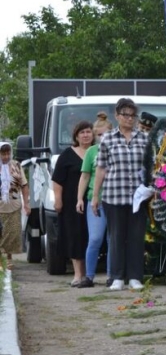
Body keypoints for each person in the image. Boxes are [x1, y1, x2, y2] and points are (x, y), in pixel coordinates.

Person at [92, 98, 150, 291]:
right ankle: (116, 276)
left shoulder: (143, 138)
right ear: (117, 116)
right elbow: (101, 168)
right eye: (125, 114)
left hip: (138, 197)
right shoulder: (108, 138)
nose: (129, 118)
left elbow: (149, 167)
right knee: (116, 236)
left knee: (136, 236)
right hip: (114, 195)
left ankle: (135, 276)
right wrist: (95, 197)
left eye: (133, 115)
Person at [52, 121, 93, 287]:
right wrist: (58, 199)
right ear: (76, 136)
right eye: (82, 132)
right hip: (71, 203)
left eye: (88, 132)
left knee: (90, 237)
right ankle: (78, 274)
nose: (85, 135)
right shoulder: (67, 155)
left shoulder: (98, 152)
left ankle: (89, 275)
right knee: (75, 236)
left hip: (93, 201)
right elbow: (57, 180)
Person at [75, 112, 114, 288]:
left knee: (113, 239)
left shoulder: (118, 148)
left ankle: (112, 275)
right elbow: (84, 177)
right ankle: (89, 276)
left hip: (115, 199)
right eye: (99, 135)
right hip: (95, 200)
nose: (102, 137)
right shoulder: (92, 151)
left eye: (106, 134)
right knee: (96, 238)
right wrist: (79, 199)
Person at [0, 142, 31, 267]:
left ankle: (9, 258)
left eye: (8, 153)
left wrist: (26, 204)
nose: (6, 157)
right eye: (3, 154)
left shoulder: (16, 165)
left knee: (12, 234)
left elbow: (24, 185)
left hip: (14, 205)